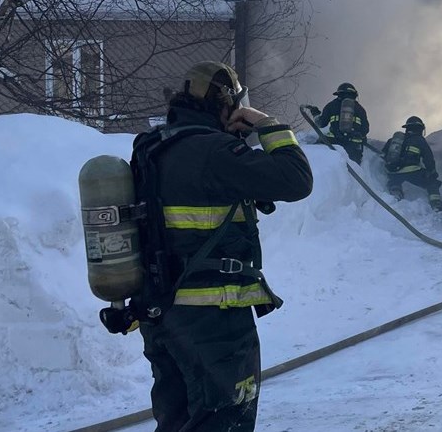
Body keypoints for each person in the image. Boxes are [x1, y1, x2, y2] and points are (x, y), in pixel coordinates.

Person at [133, 61, 313, 432]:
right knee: (224, 421)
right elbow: (297, 179)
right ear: (225, 103)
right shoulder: (214, 152)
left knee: (177, 421)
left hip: (161, 314)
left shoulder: (152, 148)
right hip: (214, 320)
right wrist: (267, 125)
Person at [382, 115, 442, 213]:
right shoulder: (420, 140)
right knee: (432, 182)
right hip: (412, 171)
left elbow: (383, 154)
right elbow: (429, 159)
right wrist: (432, 173)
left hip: (393, 172)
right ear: (420, 129)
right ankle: (437, 206)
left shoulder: (395, 140)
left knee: (395, 181)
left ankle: (396, 195)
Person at [317, 82, 370, 164]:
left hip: (334, 143)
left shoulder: (331, 105)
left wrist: (315, 114)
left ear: (339, 94)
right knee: (352, 170)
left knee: (329, 165)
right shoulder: (360, 109)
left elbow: (321, 123)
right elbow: (365, 129)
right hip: (353, 147)